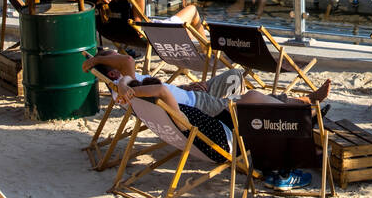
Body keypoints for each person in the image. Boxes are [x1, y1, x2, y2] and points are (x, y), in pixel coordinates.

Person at [83, 49, 332, 188]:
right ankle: (304, 112)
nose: (123, 56)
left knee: (250, 95)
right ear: (115, 71)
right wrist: (99, 59)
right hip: (217, 131)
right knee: (252, 99)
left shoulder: (131, 92)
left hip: (202, 126)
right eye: (114, 56)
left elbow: (153, 86)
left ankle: (303, 108)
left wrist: (131, 88)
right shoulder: (133, 86)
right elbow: (133, 67)